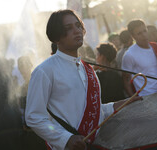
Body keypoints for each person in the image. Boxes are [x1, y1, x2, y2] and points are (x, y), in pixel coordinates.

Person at [25, 9, 142, 150]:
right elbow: (34, 117)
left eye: (78, 26)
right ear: (56, 37)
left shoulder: (88, 69)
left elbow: (96, 112)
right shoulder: (44, 71)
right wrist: (66, 139)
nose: (77, 31)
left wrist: (121, 104)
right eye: (68, 28)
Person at [122, 19, 157, 97]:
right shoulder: (129, 54)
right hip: (146, 97)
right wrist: (134, 98)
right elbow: (125, 80)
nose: (144, 35)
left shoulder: (155, 47)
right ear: (132, 36)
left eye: (145, 31)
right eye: (139, 33)